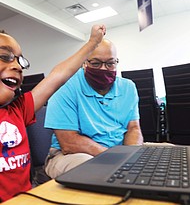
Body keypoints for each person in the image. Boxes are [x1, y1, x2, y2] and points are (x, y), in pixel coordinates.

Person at [0, 24, 106, 202]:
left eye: (20, 61)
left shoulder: (18, 110)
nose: (18, 66)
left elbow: (58, 76)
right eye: (5, 56)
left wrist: (93, 43)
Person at [44, 38, 144, 179]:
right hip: (73, 155)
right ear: (84, 62)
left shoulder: (128, 87)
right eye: (96, 63)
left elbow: (133, 128)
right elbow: (68, 142)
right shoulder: (65, 86)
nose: (103, 69)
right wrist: (115, 158)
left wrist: (131, 155)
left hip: (119, 150)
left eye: (110, 63)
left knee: (173, 155)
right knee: (97, 171)